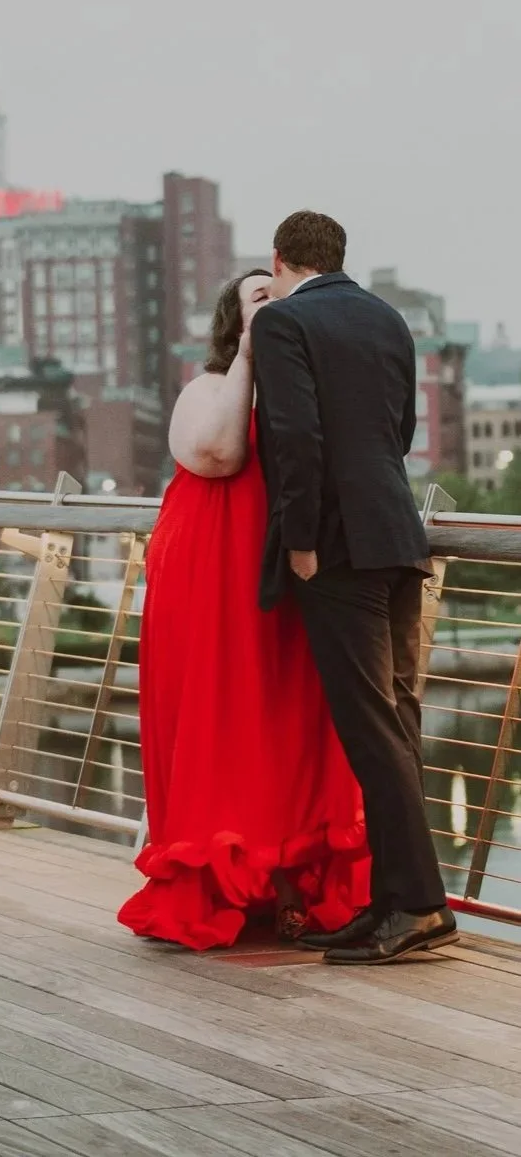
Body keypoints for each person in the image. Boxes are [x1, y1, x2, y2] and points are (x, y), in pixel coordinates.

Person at [119, 269, 371, 951]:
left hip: (285, 573)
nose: (276, 304)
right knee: (217, 712)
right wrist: (249, 362)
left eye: (282, 295)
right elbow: (217, 452)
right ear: (232, 320)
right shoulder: (204, 387)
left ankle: (287, 872)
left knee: (287, 715)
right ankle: (218, 873)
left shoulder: (308, 391)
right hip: (207, 576)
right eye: (259, 298)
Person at [251, 210, 457, 964]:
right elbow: (397, 429)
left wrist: (300, 541)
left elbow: (294, 437)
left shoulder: (282, 324)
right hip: (395, 533)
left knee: (371, 731)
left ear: (278, 261)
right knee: (393, 724)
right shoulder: (385, 318)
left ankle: (419, 905)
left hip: (334, 548)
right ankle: (391, 902)